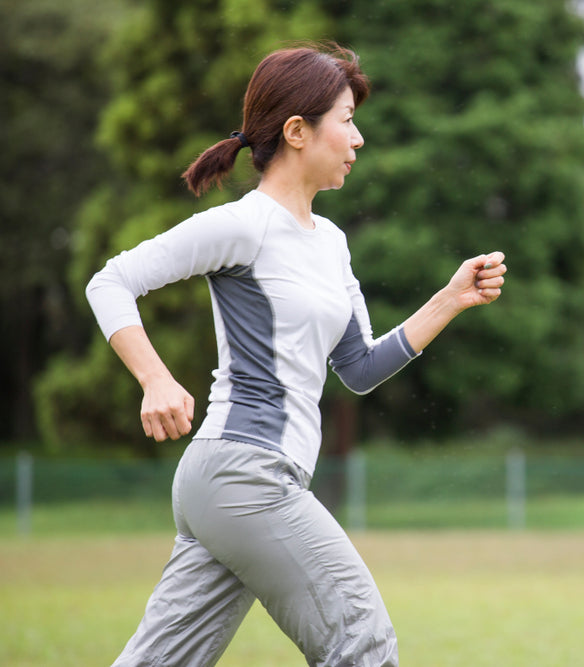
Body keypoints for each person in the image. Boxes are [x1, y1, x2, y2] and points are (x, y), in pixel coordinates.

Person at [85, 42, 507, 667]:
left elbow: (358, 368)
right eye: (347, 119)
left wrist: (448, 300)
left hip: (236, 483)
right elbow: (110, 282)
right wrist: (154, 379)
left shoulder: (331, 243)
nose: (358, 138)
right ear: (297, 131)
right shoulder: (244, 224)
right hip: (244, 474)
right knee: (361, 642)